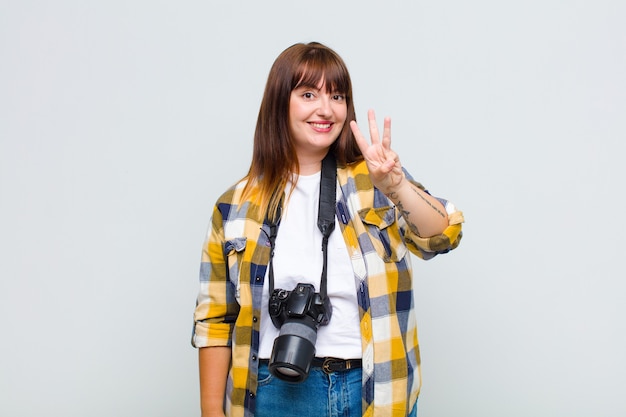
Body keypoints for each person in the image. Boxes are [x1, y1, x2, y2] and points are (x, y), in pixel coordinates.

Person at [192, 41, 464, 417]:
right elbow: (214, 320)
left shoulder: (375, 180)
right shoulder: (235, 206)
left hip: (374, 389)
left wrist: (398, 186)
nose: (326, 109)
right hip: (274, 391)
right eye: (308, 94)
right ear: (279, 103)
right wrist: (211, 411)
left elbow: (443, 235)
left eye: (337, 96)